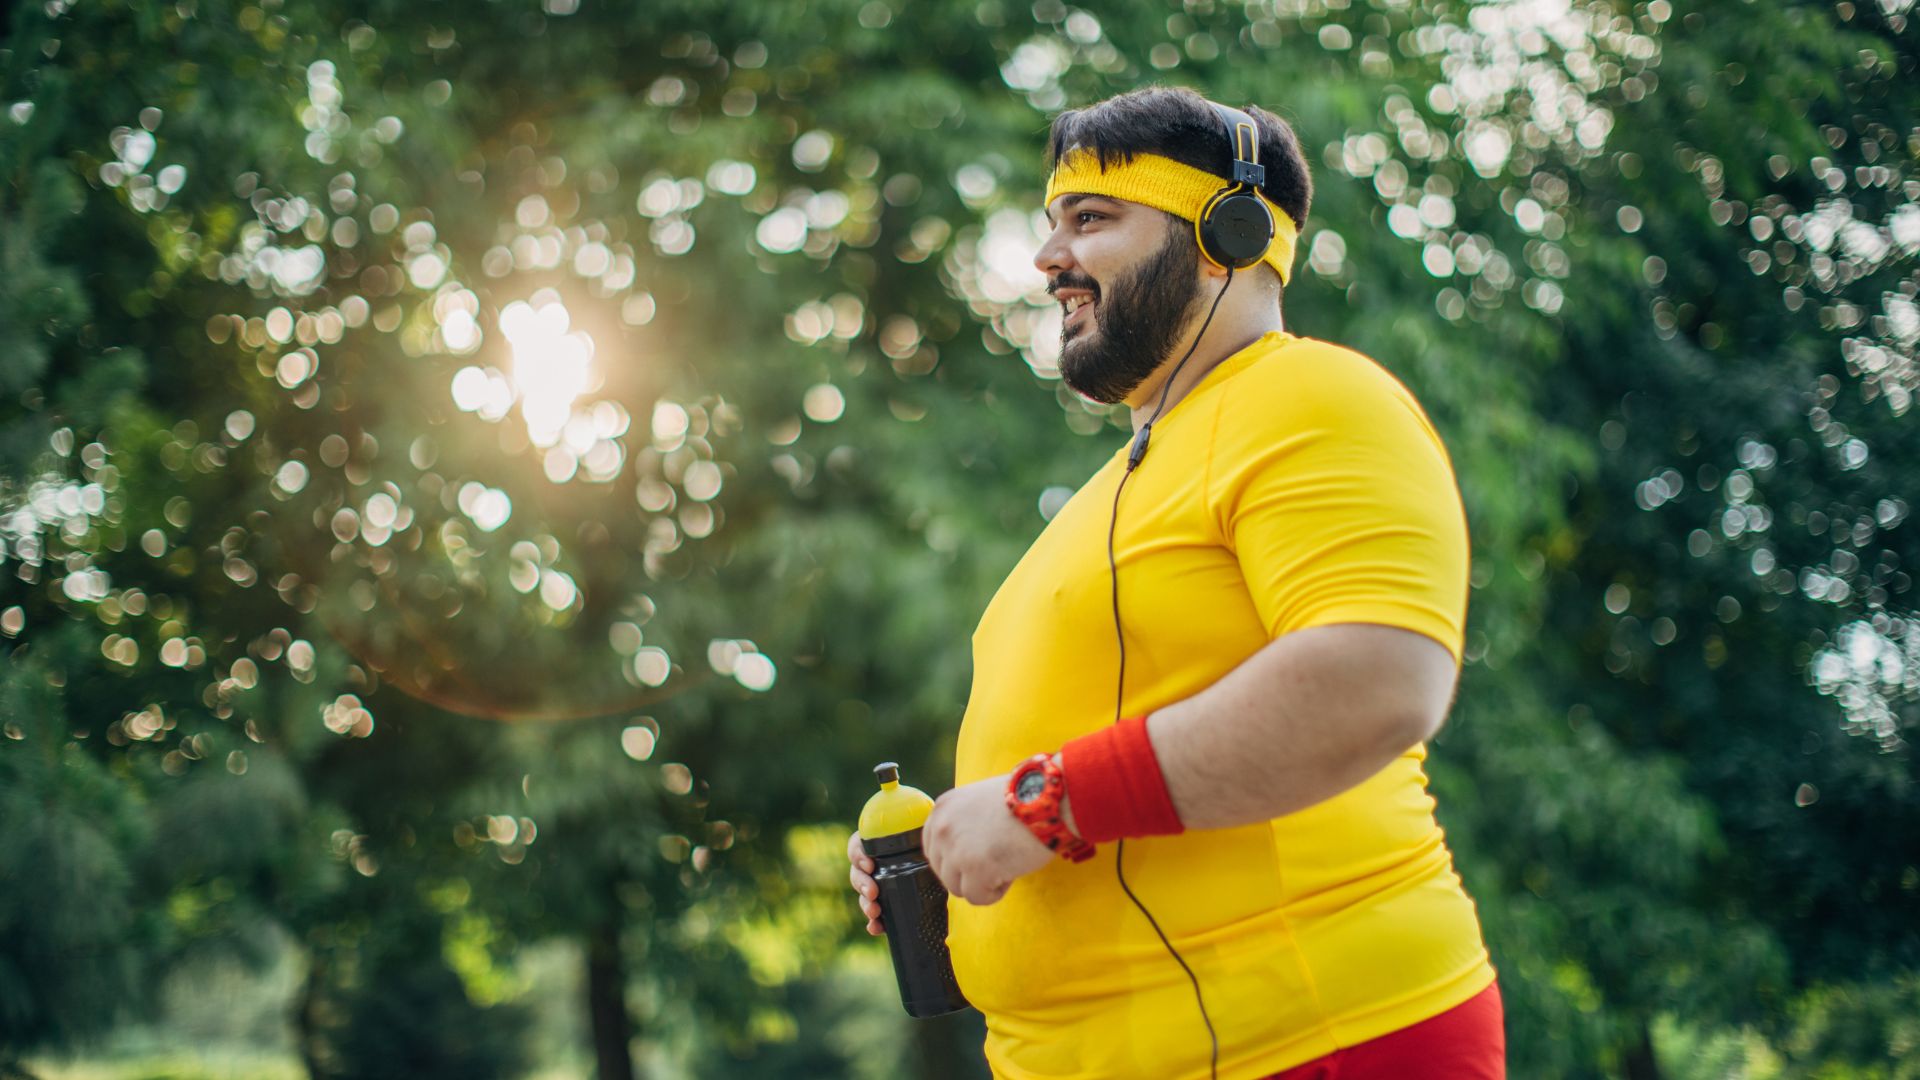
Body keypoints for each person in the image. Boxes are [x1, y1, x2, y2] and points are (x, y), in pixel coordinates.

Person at [847, 86, 1503, 1079]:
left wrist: (1037, 807)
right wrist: (951, 834)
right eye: (1052, 222)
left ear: (1225, 234)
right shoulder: (1114, 490)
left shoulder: (1313, 396)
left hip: (1307, 1042)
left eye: (1092, 219)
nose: (1048, 258)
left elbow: (1378, 677)